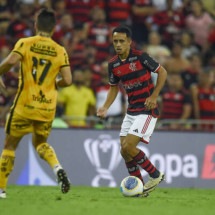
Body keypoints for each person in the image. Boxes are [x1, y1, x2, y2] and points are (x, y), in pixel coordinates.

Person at [0, 8, 72, 199]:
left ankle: (1, 190)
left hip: (24, 105)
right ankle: (57, 168)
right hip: (46, 108)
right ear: (54, 27)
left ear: (35, 24)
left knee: (10, 145)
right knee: (41, 143)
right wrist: (53, 83)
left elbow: (10, 62)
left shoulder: (25, 43)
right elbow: (68, 80)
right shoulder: (60, 50)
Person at [97, 25, 167, 195]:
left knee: (129, 146)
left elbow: (163, 72)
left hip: (147, 109)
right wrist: (105, 107)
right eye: (115, 41)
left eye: (122, 41)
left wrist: (154, 96)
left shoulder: (141, 57)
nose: (118, 44)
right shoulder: (113, 64)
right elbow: (113, 88)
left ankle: (155, 174)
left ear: (129, 42)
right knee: (123, 150)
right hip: (131, 111)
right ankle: (140, 188)